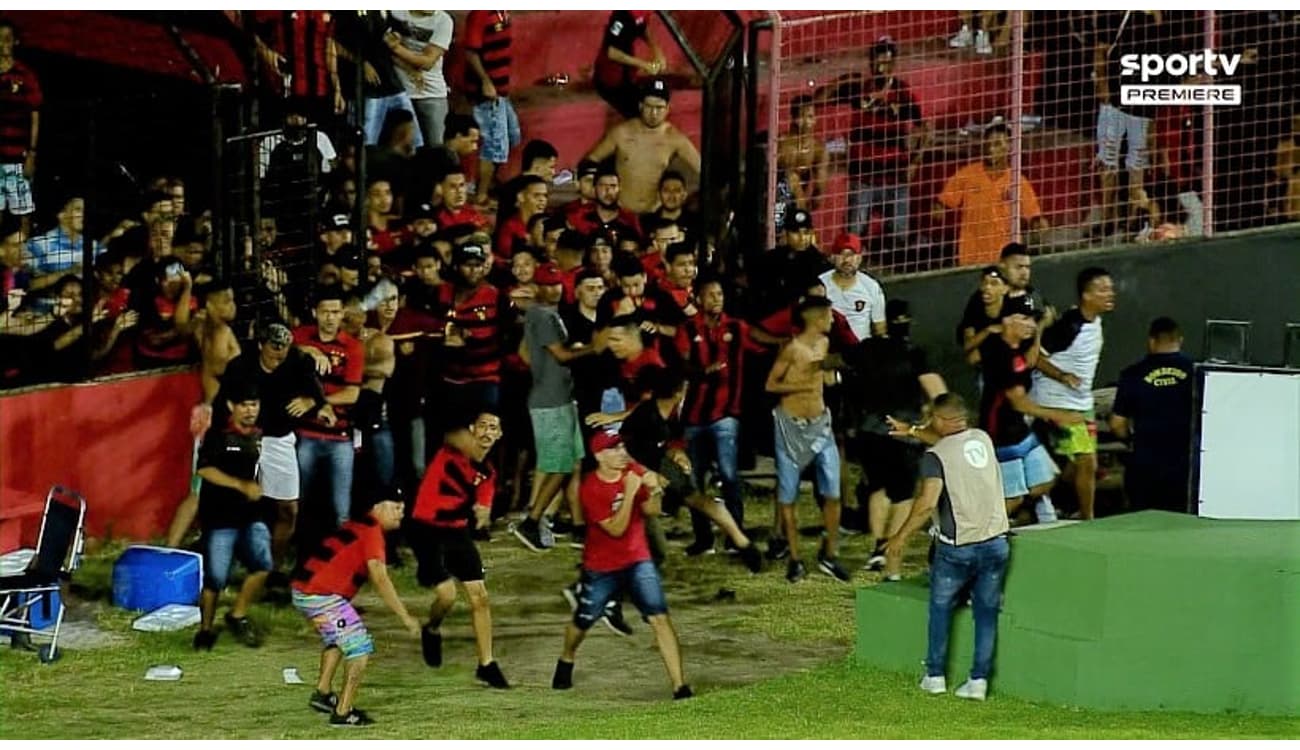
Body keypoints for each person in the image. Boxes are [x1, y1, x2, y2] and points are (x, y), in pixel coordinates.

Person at [882, 393, 1010, 702]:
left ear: (940, 419)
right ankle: (978, 682)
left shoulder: (933, 458)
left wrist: (899, 537)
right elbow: (950, 443)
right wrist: (912, 431)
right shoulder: (982, 438)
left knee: (940, 609)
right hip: (996, 542)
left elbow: (927, 504)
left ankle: (935, 675)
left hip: (957, 548)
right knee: (986, 613)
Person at [551, 430, 693, 700]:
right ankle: (566, 658)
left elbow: (651, 510)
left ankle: (679, 686)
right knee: (583, 621)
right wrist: (629, 493)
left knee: (659, 617)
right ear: (599, 456)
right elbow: (615, 529)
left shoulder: (631, 469)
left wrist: (655, 489)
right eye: (614, 449)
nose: (622, 453)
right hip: (602, 566)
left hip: (638, 558)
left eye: (623, 448)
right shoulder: (590, 488)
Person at [292, 495, 419, 728]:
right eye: (395, 507)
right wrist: (406, 617)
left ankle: (322, 693)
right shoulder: (372, 532)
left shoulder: (358, 524)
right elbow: (380, 578)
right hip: (320, 596)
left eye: (403, 508)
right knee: (359, 647)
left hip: (304, 591)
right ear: (377, 507)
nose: (401, 513)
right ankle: (343, 712)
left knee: (338, 638)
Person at [217, 323, 330, 584]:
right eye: (272, 352)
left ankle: (271, 568)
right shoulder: (240, 367)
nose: (278, 358)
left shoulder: (299, 362)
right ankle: (228, 564)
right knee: (235, 503)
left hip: (279, 439)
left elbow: (318, 395)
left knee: (288, 508)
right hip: (245, 439)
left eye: (283, 352)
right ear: (260, 346)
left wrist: (310, 401)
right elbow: (225, 402)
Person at [408, 410, 510, 689]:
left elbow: (484, 504)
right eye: (483, 426)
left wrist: (483, 512)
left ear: (500, 435)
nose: (488, 432)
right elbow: (449, 431)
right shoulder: (450, 450)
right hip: (426, 530)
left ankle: (486, 664)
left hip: (456, 531)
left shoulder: (488, 472)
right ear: (471, 429)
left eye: (494, 428)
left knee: (480, 597)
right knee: (447, 596)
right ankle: (432, 628)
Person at [620, 368, 763, 567]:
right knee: (650, 514)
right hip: (637, 472)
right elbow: (628, 448)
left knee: (700, 500)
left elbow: (659, 446)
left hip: (659, 467)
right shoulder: (646, 416)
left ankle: (743, 543)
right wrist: (647, 473)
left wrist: (674, 453)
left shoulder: (672, 413)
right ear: (679, 391)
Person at [852, 300, 947, 576]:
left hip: (869, 431)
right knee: (903, 494)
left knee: (878, 488)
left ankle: (877, 547)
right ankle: (888, 550)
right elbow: (936, 391)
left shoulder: (866, 349)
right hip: (902, 434)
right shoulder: (915, 353)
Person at [765, 297, 850, 583]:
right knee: (788, 496)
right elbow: (771, 384)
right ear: (816, 319)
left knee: (833, 492)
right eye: (828, 315)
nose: (832, 319)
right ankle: (795, 557)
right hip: (790, 428)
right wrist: (801, 384)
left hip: (820, 425)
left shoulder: (824, 345)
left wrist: (833, 376)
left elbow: (824, 380)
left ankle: (830, 553)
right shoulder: (792, 349)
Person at [978, 294, 1082, 523]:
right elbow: (1019, 402)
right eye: (1024, 319)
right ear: (1006, 320)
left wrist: (1041, 328)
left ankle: (1025, 513)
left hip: (1019, 430)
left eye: (1033, 319)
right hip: (1001, 435)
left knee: (1045, 480)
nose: (1030, 324)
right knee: (1012, 499)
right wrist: (1061, 416)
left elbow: (1030, 361)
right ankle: (977, 532)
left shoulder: (1015, 347)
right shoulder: (998, 354)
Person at [513, 264, 595, 551]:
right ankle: (532, 520)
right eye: (547, 284)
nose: (554, 289)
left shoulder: (542, 315)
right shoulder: (544, 315)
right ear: (536, 286)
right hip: (551, 401)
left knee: (572, 462)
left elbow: (523, 353)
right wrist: (592, 348)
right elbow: (561, 355)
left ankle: (578, 525)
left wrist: (541, 368)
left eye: (558, 283)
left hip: (557, 396)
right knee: (560, 465)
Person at [1031, 267, 1116, 520]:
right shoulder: (1069, 326)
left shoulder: (1094, 321)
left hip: (1081, 400)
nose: (1110, 294)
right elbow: (1034, 358)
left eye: (1110, 288)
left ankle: (1050, 499)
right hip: (1056, 401)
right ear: (1086, 295)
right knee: (1087, 460)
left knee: (1082, 465)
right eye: (1103, 289)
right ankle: (1087, 518)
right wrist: (1062, 376)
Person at [193, 381, 272, 651]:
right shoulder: (218, 435)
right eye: (245, 405)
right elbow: (203, 470)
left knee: (263, 565)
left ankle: (237, 614)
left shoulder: (259, 434)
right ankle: (205, 630)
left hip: (250, 514)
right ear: (231, 407)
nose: (251, 410)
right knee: (216, 577)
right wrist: (240, 485)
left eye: (255, 405)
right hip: (220, 517)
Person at [675, 278, 754, 533]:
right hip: (694, 416)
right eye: (710, 294)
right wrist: (703, 371)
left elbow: (760, 343)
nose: (717, 298)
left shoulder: (737, 327)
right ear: (698, 298)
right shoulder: (687, 329)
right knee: (695, 479)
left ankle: (736, 532)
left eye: (720, 293)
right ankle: (702, 537)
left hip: (726, 413)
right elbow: (682, 366)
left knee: (729, 475)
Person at [837, 37, 927, 248]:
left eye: (886, 63)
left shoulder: (903, 92)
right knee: (853, 237)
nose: (881, 68)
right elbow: (823, 96)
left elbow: (925, 129)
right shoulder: (860, 88)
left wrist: (915, 161)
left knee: (899, 236)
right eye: (877, 62)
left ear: (894, 64)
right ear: (870, 63)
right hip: (864, 177)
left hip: (895, 177)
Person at [294, 285, 365, 529]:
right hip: (306, 434)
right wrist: (309, 350)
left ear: (343, 312)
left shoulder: (353, 347)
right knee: (298, 497)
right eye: (325, 312)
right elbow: (278, 349)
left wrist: (317, 401)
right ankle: (301, 546)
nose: (330, 317)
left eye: (335, 312)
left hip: (340, 436)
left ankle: (342, 553)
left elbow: (352, 393)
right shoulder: (301, 335)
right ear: (315, 312)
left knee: (341, 506)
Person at [1109, 316, 1195, 513]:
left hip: (1145, 463)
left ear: (1151, 341)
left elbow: (1117, 423)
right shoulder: (1197, 372)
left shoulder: (1132, 374)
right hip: (1184, 465)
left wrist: (1130, 440)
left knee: (1142, 521)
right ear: (1179, 340)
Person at [934, 122, 1048, 267]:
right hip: (971, 254)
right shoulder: (967, 174)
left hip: (1006, 256)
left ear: (1009, 147)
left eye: (997, 144)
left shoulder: (1017, 180)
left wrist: (1038, 223)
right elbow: (945, 200)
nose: (990, 148)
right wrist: (938, 207)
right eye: (987, 143)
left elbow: (1033, 213)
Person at [584, 78, 702, 214]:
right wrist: (597, 194)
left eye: (659, 108)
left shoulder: (675, 139)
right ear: (641, 105)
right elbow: (591, 161)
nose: (654, 113)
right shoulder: (621, 133)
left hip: (655, 213)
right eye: (649, 106)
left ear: (668, 108)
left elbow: (703, 170)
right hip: (622, 212)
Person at [463, 10, 519, 208]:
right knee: (493, 146)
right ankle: (481, 195)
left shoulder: (502, 11)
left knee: (512, 135)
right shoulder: (480, 13)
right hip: (486, 92)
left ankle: (488, 182)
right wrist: (486, 82)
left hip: (500, 90)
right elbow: (471, 51)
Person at [387, 10, 453, 148]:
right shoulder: (396, 12)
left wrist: (396, 48)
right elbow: (382, 47)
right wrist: (409, 69)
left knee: (435, 148)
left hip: (431, 94)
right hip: (398, 93)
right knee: (401, 147)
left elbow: (428, 62)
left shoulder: (443, 20)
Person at [0, 18, 40, 233]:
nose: (1, 44)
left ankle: (24, 257)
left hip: (17, 156)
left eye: (6, 39)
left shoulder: (25, 75)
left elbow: (35, 113)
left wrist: (32, 154)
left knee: (22, 211)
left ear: (14, 42)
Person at [592, 10, 665, 119]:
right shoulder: (621, 16)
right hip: (610, 80)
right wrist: (644, 65)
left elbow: (642, 27)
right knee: (638, 115)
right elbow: (612, 52)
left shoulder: (643, 12)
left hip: (627, 76)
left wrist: (657, 51)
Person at [775, 95, 829, 234]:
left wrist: (809, 202)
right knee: (791, 178)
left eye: (812, 117)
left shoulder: (818, 149)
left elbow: (819, 190)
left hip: (799, 205)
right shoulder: (779, 143)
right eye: (805, 116)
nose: (810, 121)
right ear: (794, 118)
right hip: (775, 201)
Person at [819, 233, 887, 342]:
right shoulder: (820, 284)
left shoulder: (871, 287)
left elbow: (880, 328)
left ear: (859, 258)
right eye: (842, 254)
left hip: (861, 351)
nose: (847, 260)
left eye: (852, 254)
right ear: (832, 257)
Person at [568, 165, 641, 243]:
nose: (608, 191)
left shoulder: (630, 220)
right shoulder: (578, 216)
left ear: (620, 188)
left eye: (613, 186)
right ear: (594, 188)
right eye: (602, 186)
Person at [956, 265, 1009, 368]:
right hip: (985, 341)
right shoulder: (975, 302)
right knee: (974, 356)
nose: (987, 288)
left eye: (994, 284)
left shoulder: (1015, 303)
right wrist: (988, 330)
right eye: (984, 283)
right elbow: (968, 346)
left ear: (1005, 289)